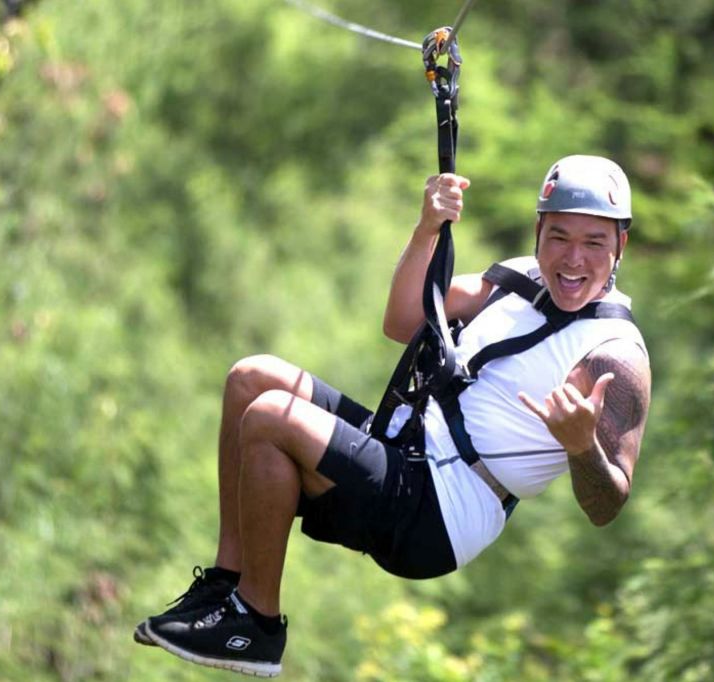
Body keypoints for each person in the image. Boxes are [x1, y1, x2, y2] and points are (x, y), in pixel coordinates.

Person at [135, 155, 652, 678]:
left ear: (620, 247)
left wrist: (581, 445)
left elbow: (607, 504)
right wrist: (428, 227)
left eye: (594, 243)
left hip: (440, 510)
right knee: (251, 380)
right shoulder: (518, 281)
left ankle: (256, 624)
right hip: (403, 447)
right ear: (539, 229)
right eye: (559, 236)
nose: (572, 259)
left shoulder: (614, 355)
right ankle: (226, 584)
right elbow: (403, 320)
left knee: (271, 417)